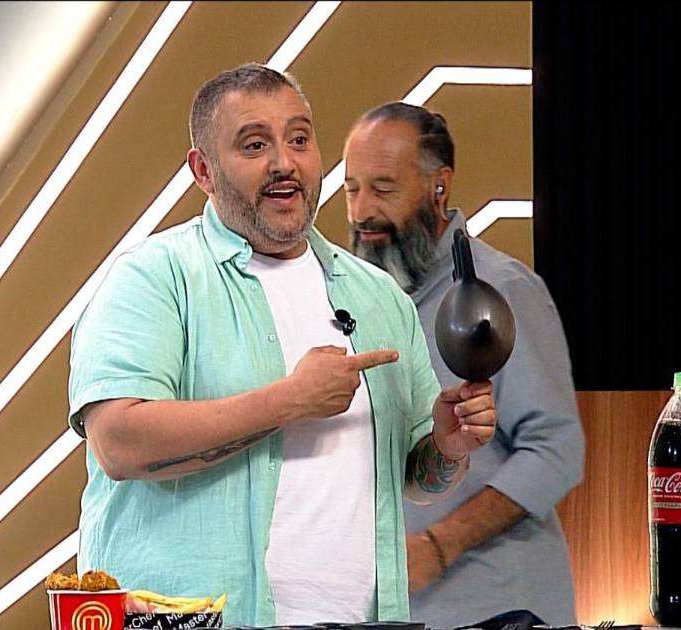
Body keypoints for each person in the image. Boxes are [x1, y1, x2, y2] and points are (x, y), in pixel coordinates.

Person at [67, 65, 498, 627]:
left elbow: (419, 480)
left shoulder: (379, 297)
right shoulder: (153, 277)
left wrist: (448, 445)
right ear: (204, 170)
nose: (284, 163)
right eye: (254, 145)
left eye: (299, 139)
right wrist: (290, 401)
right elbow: (118, 443)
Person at [343, 102, 585, 627]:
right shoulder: (353, 302)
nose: (362, 211)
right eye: (351, 190)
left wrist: (439, 545)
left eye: (383, 189)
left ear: (440, 186)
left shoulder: (501, 292)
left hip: (499, 610)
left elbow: (556, 450)